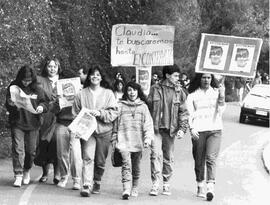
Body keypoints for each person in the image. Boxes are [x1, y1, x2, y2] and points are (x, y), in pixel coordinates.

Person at [72, 65, 118, 197]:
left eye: (98, 74)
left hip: (104, 131)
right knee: (87, 157)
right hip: (87, 132)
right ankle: (86, 184)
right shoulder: (81, 94)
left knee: (100, 161)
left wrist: (100, 113)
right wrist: (81, 123)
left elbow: (114, 112)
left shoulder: (108, 93)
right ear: (88, 77)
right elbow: (75, 113)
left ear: (101, 77)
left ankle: (97, 181)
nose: (95, 77)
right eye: (92, 74)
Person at [147, 64, 189, 196]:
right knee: (155, 155)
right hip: (156, 129)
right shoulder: (154, 89)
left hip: (170, 130)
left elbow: (183, 112)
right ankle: (155, 183)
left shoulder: (179, 91)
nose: (178, 78)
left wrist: (182, 128)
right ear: (167, 75)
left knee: (168, 157)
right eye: (176, 75)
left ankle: (166, 182)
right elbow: (147, 108)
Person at [5, 65, 49, 187]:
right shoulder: (13, 86)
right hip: (17, 122)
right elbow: (8, 102)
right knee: (18, 149)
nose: (26, 83)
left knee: (31, 151)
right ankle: (18, 174)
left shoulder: (38, 88)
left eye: (28, 80)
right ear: (20, 78)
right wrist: (13, 105)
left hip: (33, 123)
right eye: (24, 80)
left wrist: (42, 107)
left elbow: (45, 102)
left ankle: (27, 170)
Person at [187, 73, 226, 201]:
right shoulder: (193, 95)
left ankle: (210, 187)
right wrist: (191, 128)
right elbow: (189, 113)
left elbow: (221, 111)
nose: (206, 80)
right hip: (199, 130)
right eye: (204, 77)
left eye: (209, 77)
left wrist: (222, 95)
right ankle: (200, 184)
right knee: (199, 160)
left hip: (215, 129)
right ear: (199, 78)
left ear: (211, 79)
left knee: (211, 157)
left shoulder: (216, 92)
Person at [111, 82, 154, 200]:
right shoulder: (120, 105)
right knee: (126, 164)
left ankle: (135, 186)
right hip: (123, 140)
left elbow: (148, 124)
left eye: (134, 90)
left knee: (136, 166)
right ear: (126, 92)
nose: (132, 92)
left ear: (138, 92)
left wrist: (147, 139)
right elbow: (115, 124)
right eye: (129, 90)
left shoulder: (143, 107)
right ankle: (126, 187)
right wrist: (114, 138)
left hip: (138, 141)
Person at [54, 69, 82, 190]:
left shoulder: (81, 92)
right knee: (61, 153)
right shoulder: (57, 91)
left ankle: (76, 180)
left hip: (75, 124)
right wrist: (57, 101)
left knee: (76, 153)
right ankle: (64, 176)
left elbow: (85, 109)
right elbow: (52, 110)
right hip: (61, 123)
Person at [35, 56, 61, 184]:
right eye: (50, 66)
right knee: (44, 143)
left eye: (54, 66)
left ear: (58, 68)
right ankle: (45, 172)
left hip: (58, 116)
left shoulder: (63, 82)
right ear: (46, 67)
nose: (52, 69)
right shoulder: (39, 80)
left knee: (56, 143)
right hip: (44, 115)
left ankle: (57, 173)